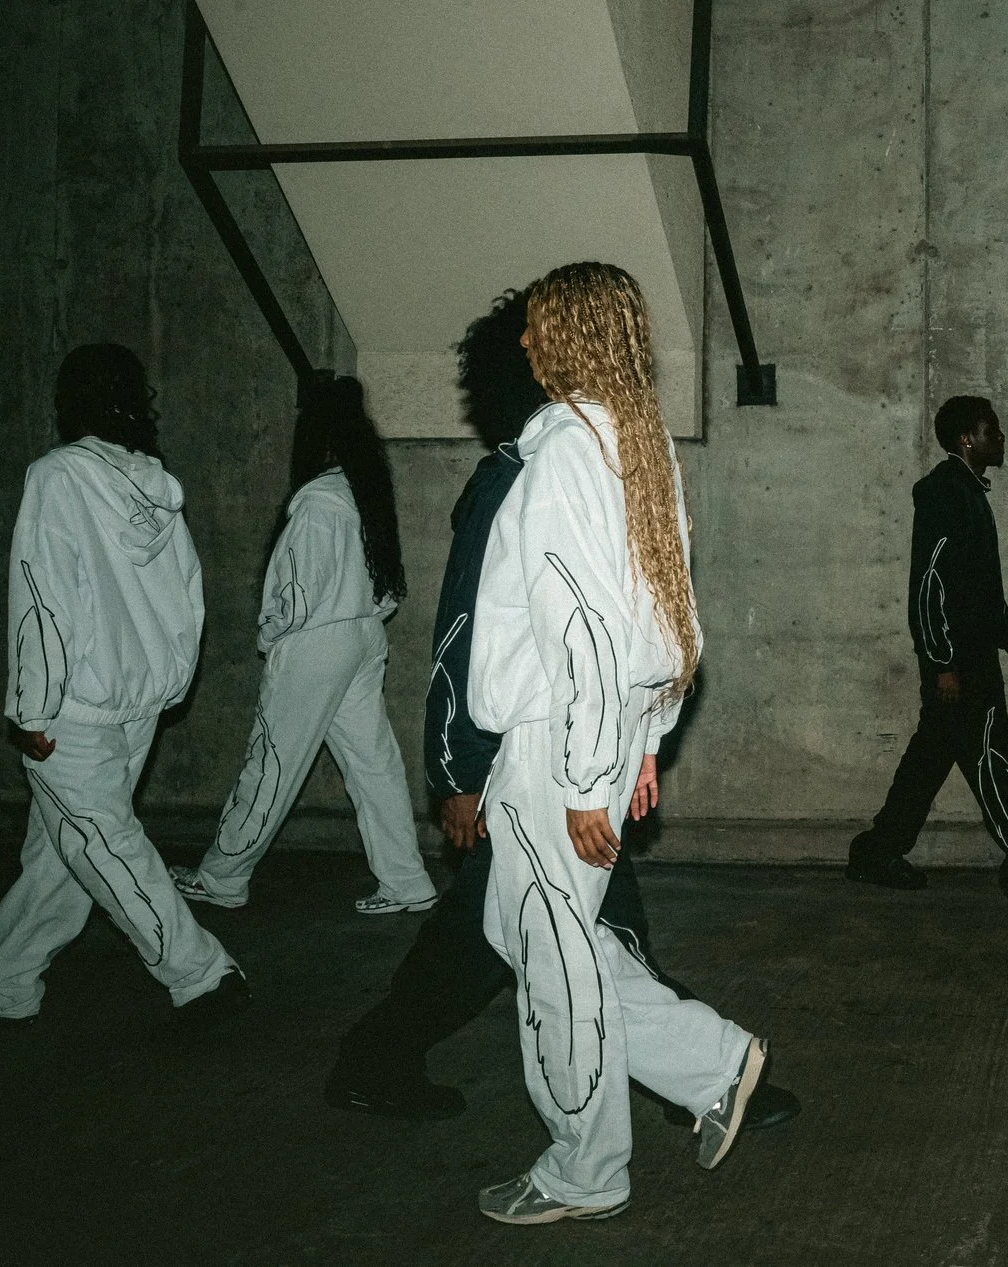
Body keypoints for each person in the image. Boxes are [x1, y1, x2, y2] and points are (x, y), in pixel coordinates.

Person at [325, 291, 797, 1141]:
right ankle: (700, 1079)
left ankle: (703, 1077)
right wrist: (461, 772)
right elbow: (465, 637)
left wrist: (631, 744)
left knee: (541, 934)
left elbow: (640, 620)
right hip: (538, 756)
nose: (538, 347)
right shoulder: (533, 469)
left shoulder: (582, 458)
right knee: (528, 933)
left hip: (567, 753)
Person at [469, 262, 776, 1225]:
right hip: (602, 731)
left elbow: (585, 632)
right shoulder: (636, 444)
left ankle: (584, 1169)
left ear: (571, 335)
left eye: (537, 327)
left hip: (554, 738)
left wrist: (581, 774)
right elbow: (671, 621)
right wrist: (644, 740)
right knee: (540, 935)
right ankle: (715, 1061)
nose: (523, 342)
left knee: (554, 959)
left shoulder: (564, 452)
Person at [0, 343, 248, 1027]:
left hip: (76, 707)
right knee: (63, 849)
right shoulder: (153, 485)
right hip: (137, 703)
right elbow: (190, 597)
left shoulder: (58, 476)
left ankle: (200, 971)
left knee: (102, 842)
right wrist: (170, 685)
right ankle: (5, 981)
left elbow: (42, 595)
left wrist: (33, 704)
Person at [172, 376, 436, 914]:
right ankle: (408, 882)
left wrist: (273, 633)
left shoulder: (317, 500)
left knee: (272, 760)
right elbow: (387, 581)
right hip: (363, 636)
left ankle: (223, 877)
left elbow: (295, 589)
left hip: (318, 642)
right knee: (373, 765)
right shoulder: (364, 492)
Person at [848, 394, 1008, 898]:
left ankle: (877, 852)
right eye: (993, 430)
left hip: (968, 656)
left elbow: (977, 587)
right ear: (967, 439)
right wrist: (941, 663)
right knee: (991, 752)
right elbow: (928, 585)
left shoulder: (967, 491)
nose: (1001, 438)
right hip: (959, 662)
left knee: (930, 760)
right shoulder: (946, 492)